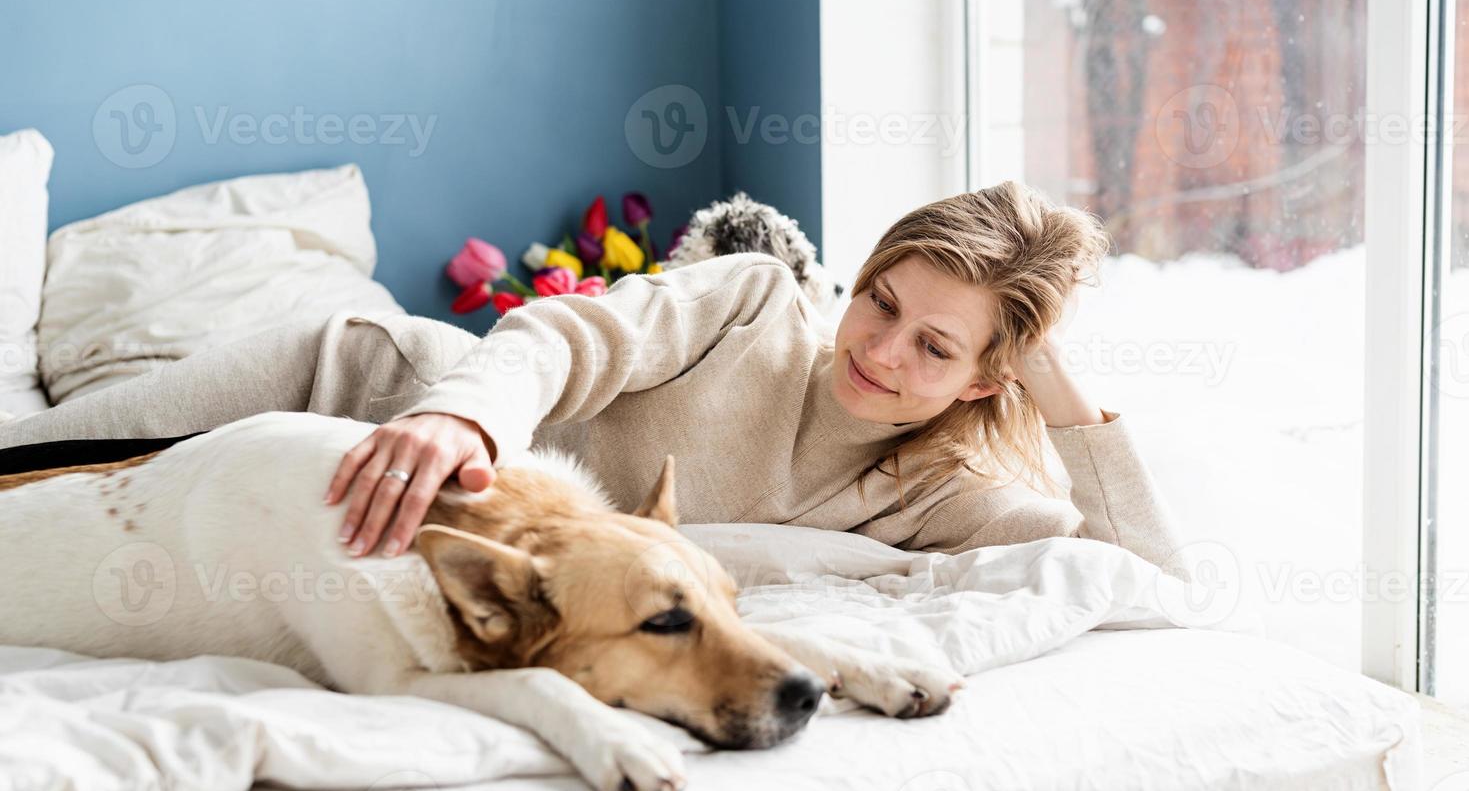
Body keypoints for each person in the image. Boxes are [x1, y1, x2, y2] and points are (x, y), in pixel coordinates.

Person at [0, 181, 1189, 582]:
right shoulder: (752, 301)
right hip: (356, 385)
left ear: (991, 382)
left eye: (937, 347)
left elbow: (1139, 578)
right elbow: (563, 339)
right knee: (25, 467)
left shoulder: (933, 499)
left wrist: (1047, 372)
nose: (879, 351)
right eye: (882, 298)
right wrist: (455, 410)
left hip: (405, 527)